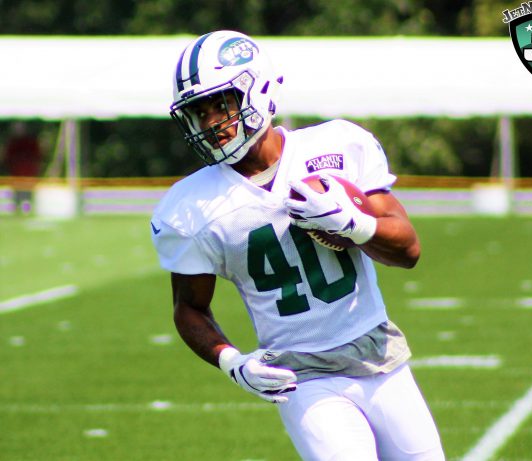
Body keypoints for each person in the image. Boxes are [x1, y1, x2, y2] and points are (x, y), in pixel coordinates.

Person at [151, 30, 444, 461]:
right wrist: (232, 362)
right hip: (301, 373)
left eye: (221, 104)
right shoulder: (190, 206)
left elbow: (408, 250)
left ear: (258, 88)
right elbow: (189, 307)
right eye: (199, 112)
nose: (211, 123)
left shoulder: (338, 146)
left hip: (379, 351)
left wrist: (351, 223)